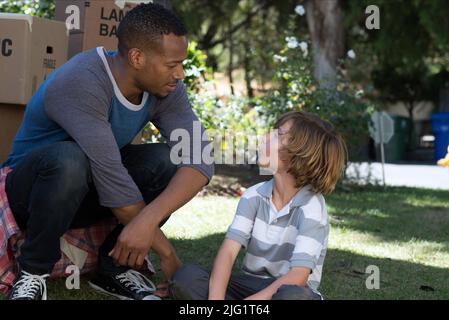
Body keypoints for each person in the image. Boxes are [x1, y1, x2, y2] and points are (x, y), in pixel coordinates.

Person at [1, 3, 213, 300]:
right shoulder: (83, 80)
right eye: (171, 64)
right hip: (32, 193)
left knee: (166, 161)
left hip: (89, 191)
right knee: (70, 159)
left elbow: (200, 159)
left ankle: (113, 267)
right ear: (137, 57)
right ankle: (33, 272)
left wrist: (147, 221)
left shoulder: (166, 88)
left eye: (181, 63)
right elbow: (112, 178)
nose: (179, 74)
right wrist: (166, 252)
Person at [169, 111, 346, 300]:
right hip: (251, 285)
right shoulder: (253, 195)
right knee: (187, 278)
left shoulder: (312, 207)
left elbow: (298, 276)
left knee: (292, 297)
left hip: (292, 289)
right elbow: (228, 253)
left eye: (278, 134)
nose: (265, 137)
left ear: (300, 154)